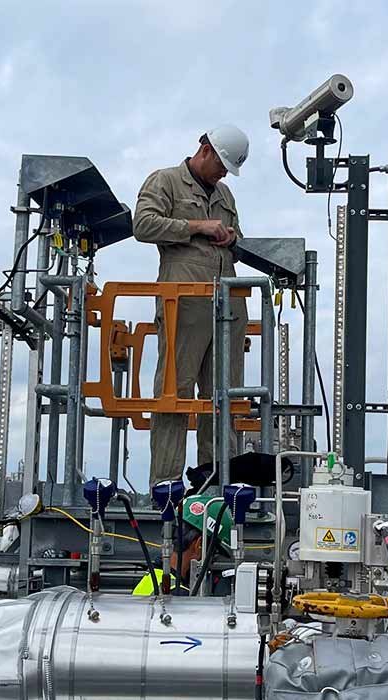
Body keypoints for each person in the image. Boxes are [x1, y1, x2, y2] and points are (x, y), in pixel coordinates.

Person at [133, 125, 251, 486]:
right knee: (175, 392)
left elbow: (240, 241)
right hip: (182, 303)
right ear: (205, 149)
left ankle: (214, 482)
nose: (222, 174)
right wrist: (197, 226)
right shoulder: (165, 181)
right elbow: (142, 224)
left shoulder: (226, 195)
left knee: (224, 396)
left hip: (226, 306)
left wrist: (232, 238)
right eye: (221, 166)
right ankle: (166, 485)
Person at [132, 495, 234, 595]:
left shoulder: (153, 579)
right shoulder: (178, 598)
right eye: (214, 554)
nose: (213, 564)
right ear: (199, 546)